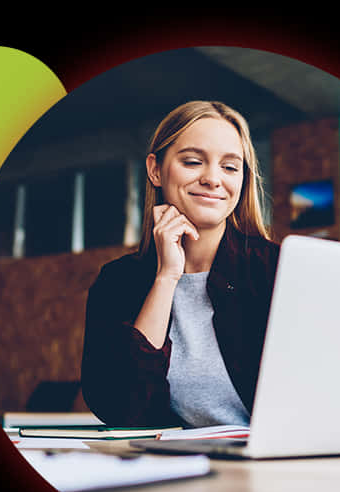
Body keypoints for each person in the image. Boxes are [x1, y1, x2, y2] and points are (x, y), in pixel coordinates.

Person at [81, 100, 280, 428]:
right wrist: (166, 277)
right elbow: (121, 408)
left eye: (230, 167)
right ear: (156, 170)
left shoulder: (276, 270)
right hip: (178, 468)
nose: (213, 179)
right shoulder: (118, 281)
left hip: (278, 467)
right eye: (192, 161)